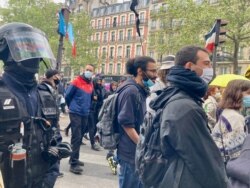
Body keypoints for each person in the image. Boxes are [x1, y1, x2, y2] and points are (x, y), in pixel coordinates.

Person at [0, 22, 71, 188]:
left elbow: (54, 137)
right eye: (25, 48)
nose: (34, 56)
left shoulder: (46, 95)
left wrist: (51, 175)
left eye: (35, 49)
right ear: (6, 52)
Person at [149, 45, 228, 188]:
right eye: (206, 63)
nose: (210, 68)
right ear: (190, 66)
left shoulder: (174, 95)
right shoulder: (185, 107)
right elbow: (203, 161)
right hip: (184, 180)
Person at [117, 56, 157, 188]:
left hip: (136, 152)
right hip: (130, 153)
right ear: (140, 71)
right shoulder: (131, 91)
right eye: (152, 71)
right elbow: (127, 125)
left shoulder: (139, 90)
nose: (155, 75)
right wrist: (143, 145)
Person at [65, 64, 95, 174]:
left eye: (90, 70)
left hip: (85, 112)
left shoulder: (91, 82)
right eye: (87, 69)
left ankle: (74, 158)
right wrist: (71, 107)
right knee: (76, 137)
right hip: (76, 112)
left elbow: (90, 97)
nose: (88, 71)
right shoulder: (76, 81)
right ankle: (73, 163)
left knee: (80, 135)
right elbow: (67, 95)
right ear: (84, 70)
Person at [212, 80, 250, 163]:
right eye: (248, 93)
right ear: (237, 94)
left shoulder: (228, 112)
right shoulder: (235, 117)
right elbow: (237, 153)